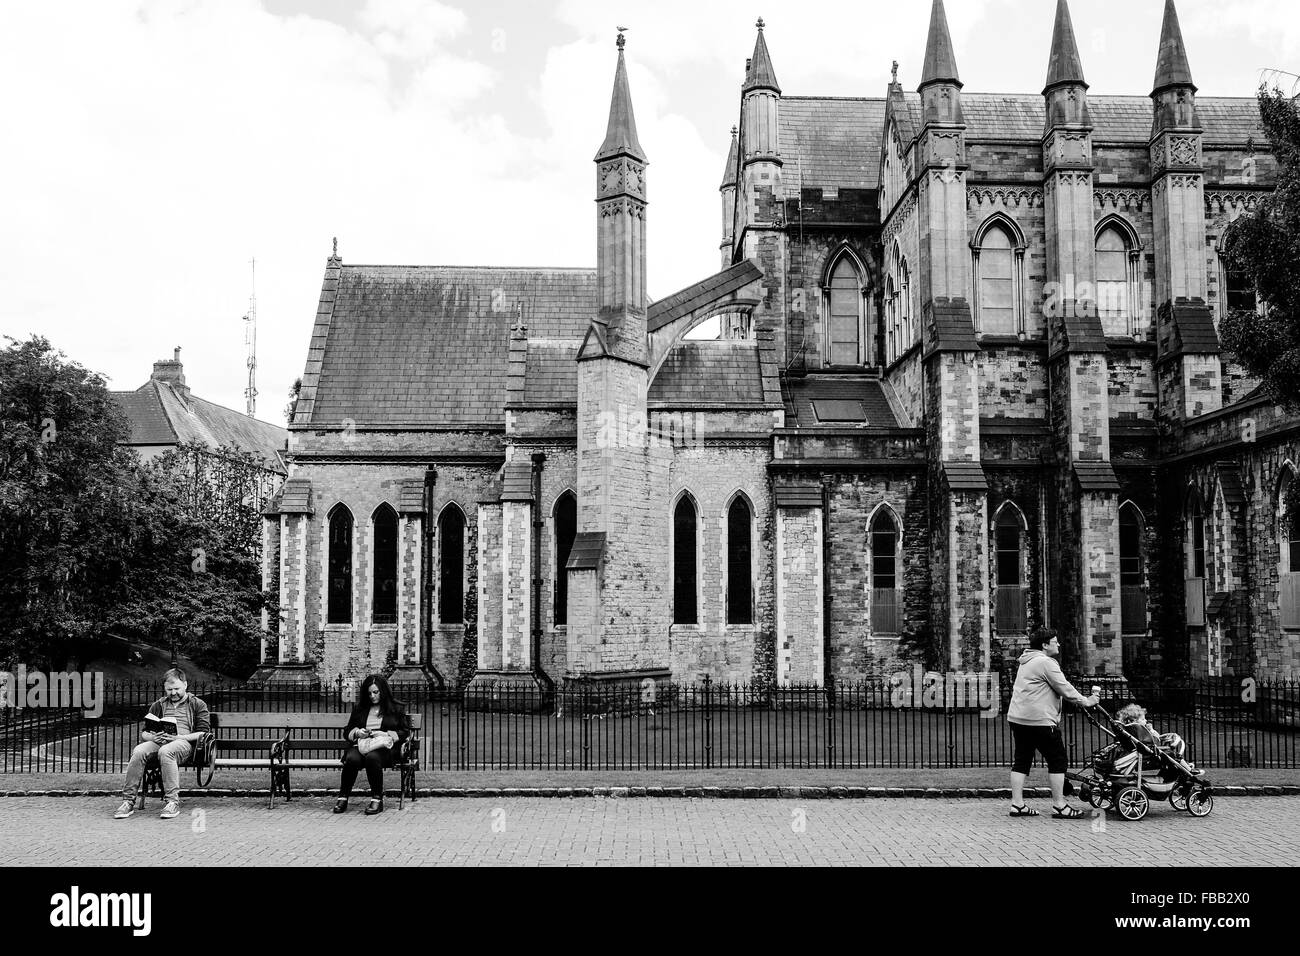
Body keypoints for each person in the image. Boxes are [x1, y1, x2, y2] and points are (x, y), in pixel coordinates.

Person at [1006, 629, 1098, 818]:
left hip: (1018, 718)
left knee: (1022, 760)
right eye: (1055, 641)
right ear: (1045, 645)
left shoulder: (1026, 661)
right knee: (1058, 760)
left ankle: (1017, 804)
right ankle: (1060, 805)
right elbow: (1064, 688)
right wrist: (1087, 701)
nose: (1058, 644)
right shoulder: (1045, 662)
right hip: (1039, 721)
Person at [114, 667, 211, 820]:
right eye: (169, 689)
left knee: (166, 751)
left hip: (183, 743)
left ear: (185, 685)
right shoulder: (158, 705)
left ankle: (172, 802)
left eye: (177, 689)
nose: (173, 693)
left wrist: (179, 737)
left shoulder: (197, 704)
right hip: (160, 741)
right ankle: (128, 801)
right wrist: (153, 738)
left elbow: (204, 733)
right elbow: (145, 732)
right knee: (139, 751)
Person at [334, 674, 410, 816]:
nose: (372, 696)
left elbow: (404, 732)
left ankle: (377, 798)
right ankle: (343, 797)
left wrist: (386, 734)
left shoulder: (396, 708)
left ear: (383, 691)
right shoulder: (361, 708)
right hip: (363, 745)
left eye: (376, 692)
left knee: (373, 758)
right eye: (369, 693)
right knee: (351, 759)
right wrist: (357, 733)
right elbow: (348, 730)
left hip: (384, 748)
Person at [1116, 703, 1194, 770]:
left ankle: (1186, 765)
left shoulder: (1130, 731)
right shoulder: (1140, 733)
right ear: (1134, 721)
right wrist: (1152, 731)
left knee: (1171, 755)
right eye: (1143, 719)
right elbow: (1155, 741)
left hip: (1142, 754)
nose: (1146, 721)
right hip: (1150, 756)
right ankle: (1188, 769)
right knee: (1174, 755)